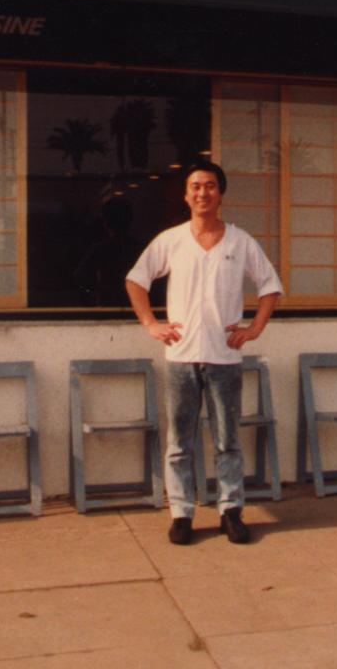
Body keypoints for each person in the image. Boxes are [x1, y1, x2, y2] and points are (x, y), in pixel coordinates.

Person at [125, 159, 282, 545]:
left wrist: (255, 328)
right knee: (181, 442)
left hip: (224, 358)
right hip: (181, 358)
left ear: (220, 193)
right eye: (195, 186)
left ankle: (231, 511)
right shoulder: (171, 240)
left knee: (228, 440)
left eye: (210, 186)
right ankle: (181, 513)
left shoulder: (240, 241)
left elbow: (270, 286)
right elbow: (136, 280)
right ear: (186, 194)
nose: (202, 193)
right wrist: (150, 323)